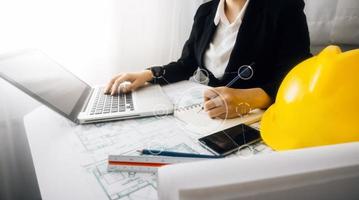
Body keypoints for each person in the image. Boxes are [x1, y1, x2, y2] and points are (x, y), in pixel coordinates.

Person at [104, 0, 312, 119]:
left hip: (258, 120)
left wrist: (251, 99)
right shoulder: (205, 12)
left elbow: (297, 79)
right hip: (210, 116)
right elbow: (187, 64)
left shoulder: (285, 8)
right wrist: (149, 74)